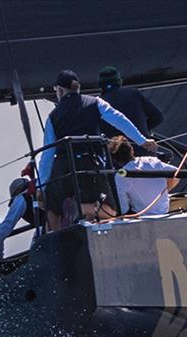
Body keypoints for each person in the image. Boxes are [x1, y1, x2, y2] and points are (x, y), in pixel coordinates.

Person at [37, 69, 157, 230]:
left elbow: (47, 155)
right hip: (89, 164)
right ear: (77, 88)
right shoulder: (95, 103)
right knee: (110, 210)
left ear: (59, 90)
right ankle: (81, 208)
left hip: (62, 167)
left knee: (54, 211)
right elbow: (118, 119)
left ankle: (59, 241)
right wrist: (141, 140)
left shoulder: (52, 117)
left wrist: (41, 186)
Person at [99, 66, 164, 157]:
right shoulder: (134, 94)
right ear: (119, 81)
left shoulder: (98, 103)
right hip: (145, 155)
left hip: (117, 159)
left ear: (100, 86)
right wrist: (142, 130)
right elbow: (158, 117)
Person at [109, 135, 179, 215]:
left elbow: (123, 209)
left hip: (142, 217)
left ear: (114, 159)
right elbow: (177, 174)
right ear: (132, 150)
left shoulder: (120, 176)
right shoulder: (152, 161)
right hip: (165, 212)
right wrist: (163, 191)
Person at [0, 177, 45, 255]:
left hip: (47, 228)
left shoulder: (21, 199)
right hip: (59, 222)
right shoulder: (42, 187)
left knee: (34, 255)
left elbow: (7, 225)